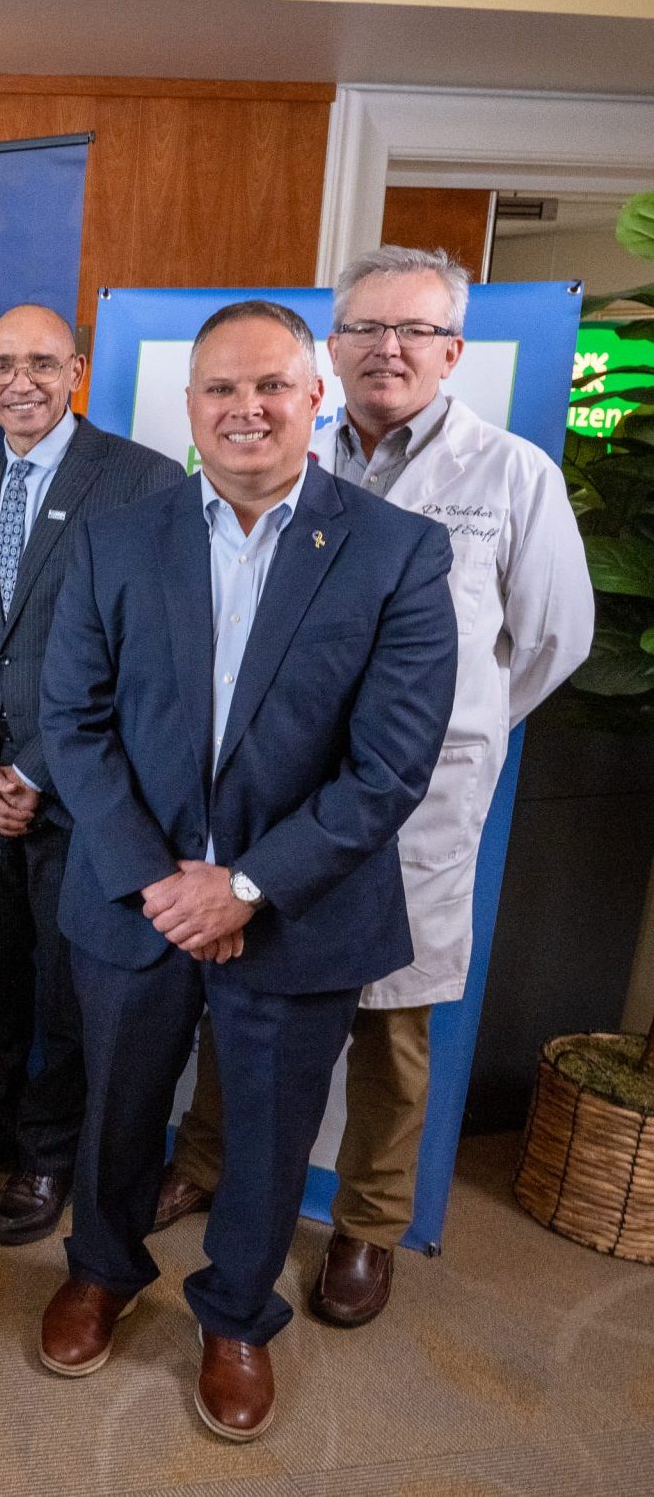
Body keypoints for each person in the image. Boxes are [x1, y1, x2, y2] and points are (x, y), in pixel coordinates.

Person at [36, 300, 455, 1443]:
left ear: (316, 395)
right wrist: (162, 880)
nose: (247, 408)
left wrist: (248, 886)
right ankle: (102, 1269)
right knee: (117, 1106)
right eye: (221, 388)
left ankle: (234, 1315)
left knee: (270, 1133)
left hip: (298, 910)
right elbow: (71, 723)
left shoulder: (397, 549)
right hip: (137, 900)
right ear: (190, 407)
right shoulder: (116, 537)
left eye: (271, 384)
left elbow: (390, 764)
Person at [161, 248, 593, 1322]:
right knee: (242, 994)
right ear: (329, 351)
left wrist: (451, 735)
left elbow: (550, 640)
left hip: (417, 811)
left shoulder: (511, 476)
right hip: (274, 806)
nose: (386, 349)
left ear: (454, 351)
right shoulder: (285, 450)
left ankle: (367, 1225)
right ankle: (207, 1161)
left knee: (394, 1032)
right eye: (362, 328)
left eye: (412, 331)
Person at [0, 306, 184, 1241]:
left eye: (39, 363)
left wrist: (30, 769)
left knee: (66, 991)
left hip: (83, 794)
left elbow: (142, 656)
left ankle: (47, 1154)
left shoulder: (142, 482)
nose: (18, 381)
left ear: (75, 368)